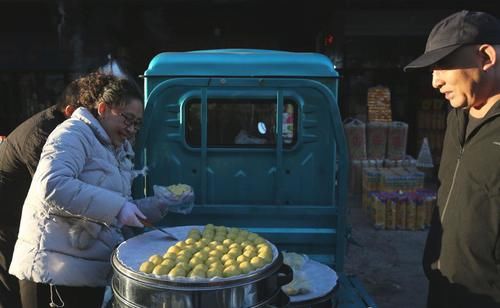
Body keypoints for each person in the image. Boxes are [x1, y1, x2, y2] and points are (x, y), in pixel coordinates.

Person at [8, 73, 169, 308]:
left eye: (137, 123)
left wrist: (159, 204)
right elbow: (52, 184)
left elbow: (118, 208)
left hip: (87, 274)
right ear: (102, 108)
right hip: (53, 275)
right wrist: (118, 206)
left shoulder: (119, 150)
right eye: (126, 119)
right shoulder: (73, 133)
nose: (131, 129)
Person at [404, 10, 500, 307]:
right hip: (442, 285)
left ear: (485, 57)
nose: (435, 82)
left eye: (442, 65)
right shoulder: (457, 116)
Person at [0, 74, 114, 308]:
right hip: (8, 215)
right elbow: (53, 196)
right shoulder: (44, 136)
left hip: (19, 213)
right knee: (15, 289)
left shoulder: (64, 129)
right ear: (71, 111)